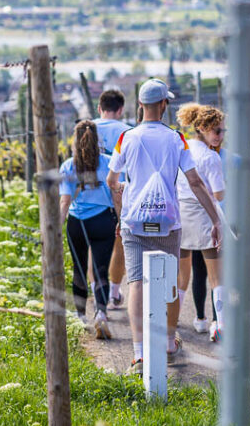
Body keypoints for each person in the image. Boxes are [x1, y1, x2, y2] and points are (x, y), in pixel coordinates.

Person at [107, 79, 222, 375]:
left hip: (134, 222)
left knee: (136, 283)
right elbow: (195, 181)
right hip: (168, 224)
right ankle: (169, 342)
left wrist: (122, 212)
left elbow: (112, 182)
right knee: (170, 282)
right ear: (163, 105)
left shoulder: (127, 138)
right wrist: (216, 219)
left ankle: (140, 353)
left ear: (141, 105)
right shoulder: (176, 139)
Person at [60, 121, 122, 339]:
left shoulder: (68, 165)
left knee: (79, 268)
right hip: (104, 220)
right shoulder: (108, 163)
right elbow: (116, 195)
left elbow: (65, 201)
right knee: (100, 269)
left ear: (75, 141)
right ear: (98, 141)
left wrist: (57, 228)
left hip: (77, 223)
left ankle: (80, 317)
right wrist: (121, 221)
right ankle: (101, 314)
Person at [175, 104, 226, 343]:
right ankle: (220, 324)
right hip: (205, 216)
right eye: (217, 131)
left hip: (181, 215)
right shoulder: (211, 157)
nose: (220, 136)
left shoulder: (181, 148)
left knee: (183, 276)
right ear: (203, 128)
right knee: (217, 276)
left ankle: (175, 322)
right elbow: (219, 194)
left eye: (222, 131)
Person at [93, 90, 132, 311]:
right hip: (121, 191)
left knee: (94, 247)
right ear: (120, 110)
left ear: (99, 108)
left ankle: (96, 290)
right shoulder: (127, 131)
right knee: (120, 244)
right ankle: (114, 294)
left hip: (93, 194)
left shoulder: (87, 128)